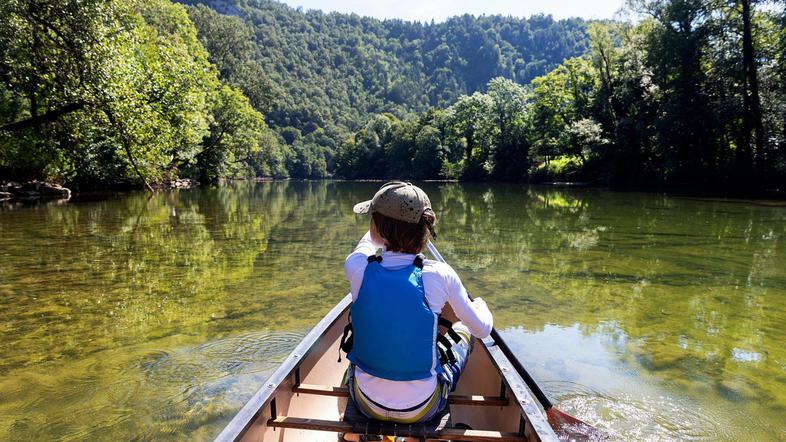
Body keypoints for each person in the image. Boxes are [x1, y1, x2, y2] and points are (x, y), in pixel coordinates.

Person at [341, 181, 493, 434]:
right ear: (426, 230)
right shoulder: (440, 274)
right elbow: (483, 330)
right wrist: (482, 307)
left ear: (377, 229)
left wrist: (383, 229)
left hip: (366, 403)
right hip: (422, 407)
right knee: (464, 327)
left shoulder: (358, 267)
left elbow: (367, 243)